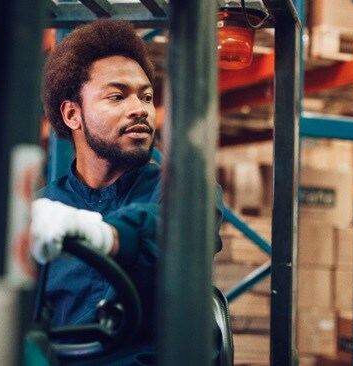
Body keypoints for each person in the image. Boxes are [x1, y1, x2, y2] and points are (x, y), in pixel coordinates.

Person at [29, 19, 222, 365]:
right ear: (73, 114)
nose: (141, 109)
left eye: (146, 96)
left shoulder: (185, 196)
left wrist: (109, 236)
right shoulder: (44, 211)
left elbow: (178, 232)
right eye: (117, 96)